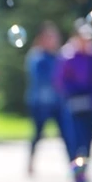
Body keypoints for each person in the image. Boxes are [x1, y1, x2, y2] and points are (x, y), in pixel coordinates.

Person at [55, 22, 92, 182]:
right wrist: (75, 90)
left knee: (88, 141)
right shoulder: (68, 56)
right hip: (73, 106)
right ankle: (78, 178)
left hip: (91, 106)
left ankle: (83, 173)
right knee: (75, 141)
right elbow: (60, 81)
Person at [25, 21, 67, 174]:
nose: (53, 40)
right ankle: (30, 162)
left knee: (66, 134)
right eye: (50, 37)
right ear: (42, 39)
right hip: (40, 103)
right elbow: (41, 78)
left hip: (56, 102)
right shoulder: (37, 56)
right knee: (37, 134)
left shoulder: (58, 56)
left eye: (54, 37)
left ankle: (74, 165)